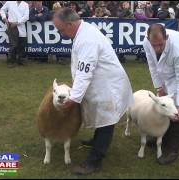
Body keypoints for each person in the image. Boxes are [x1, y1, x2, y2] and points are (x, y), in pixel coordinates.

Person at [52, 8, 134, 175]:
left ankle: (94, 161)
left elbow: (84, 71)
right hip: (102, 83)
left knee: (106, 120)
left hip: (108, 86)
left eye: (60, 30)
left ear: (70, 24)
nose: (60, 33)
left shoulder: (87, 39)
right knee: (101, 117)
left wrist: (74, 98)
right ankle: (96, 141)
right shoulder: (83, 32)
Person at [143, 24, 179, 165]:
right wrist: (159, 87)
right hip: (166, 73)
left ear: (166, 37)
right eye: (154, 45)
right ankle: (161, 137)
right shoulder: (147, 43)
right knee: (165, 105)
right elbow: (152, 65)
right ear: (148, 39)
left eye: (160, 45)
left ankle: (172, 149)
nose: (157, 48)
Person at [0, 1, 29, 67]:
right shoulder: (9, 2)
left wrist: (17, 23)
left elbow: (26, 16)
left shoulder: (25, 4)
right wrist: (4, 18)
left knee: (22, 44)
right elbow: (2, 10)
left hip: (21, 26)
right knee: (13, 45)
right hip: (11, 26)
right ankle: (10, 61)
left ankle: (21, 60)